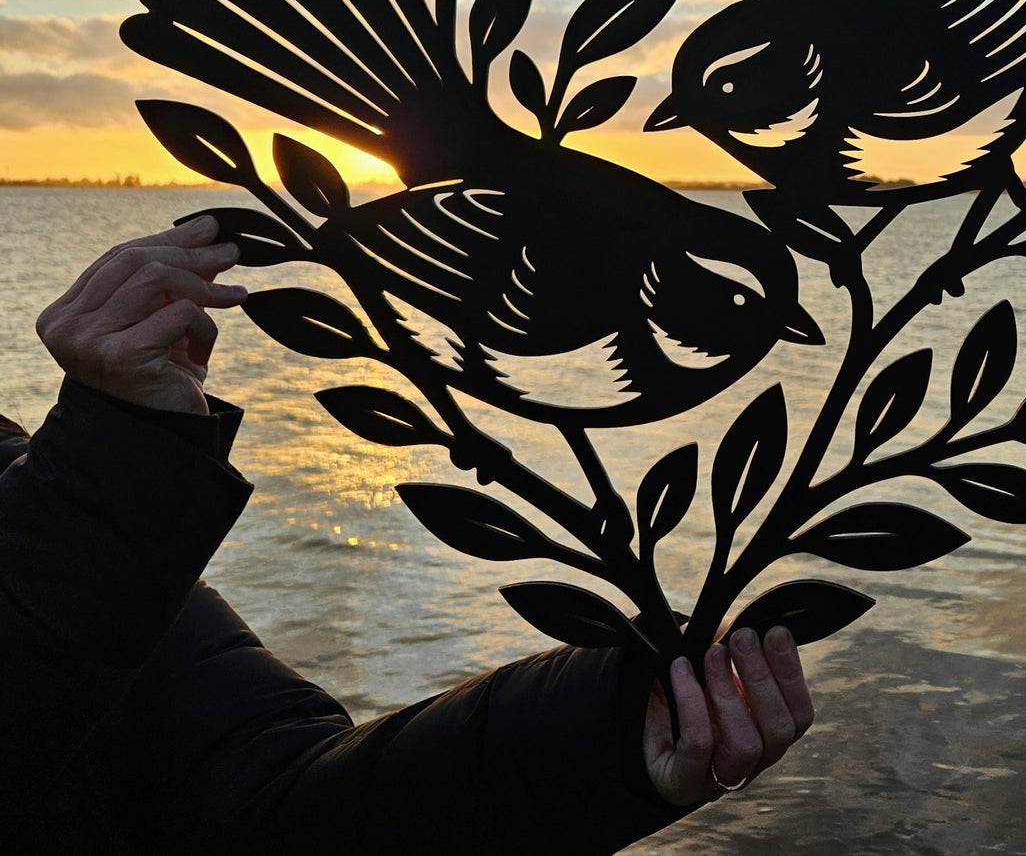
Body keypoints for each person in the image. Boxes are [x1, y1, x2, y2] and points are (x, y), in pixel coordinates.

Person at [0, 218, 815, 853]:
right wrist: (107, 472)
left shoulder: (38, 486)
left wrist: (604, 731)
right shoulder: (66, 495)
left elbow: (280, 806)